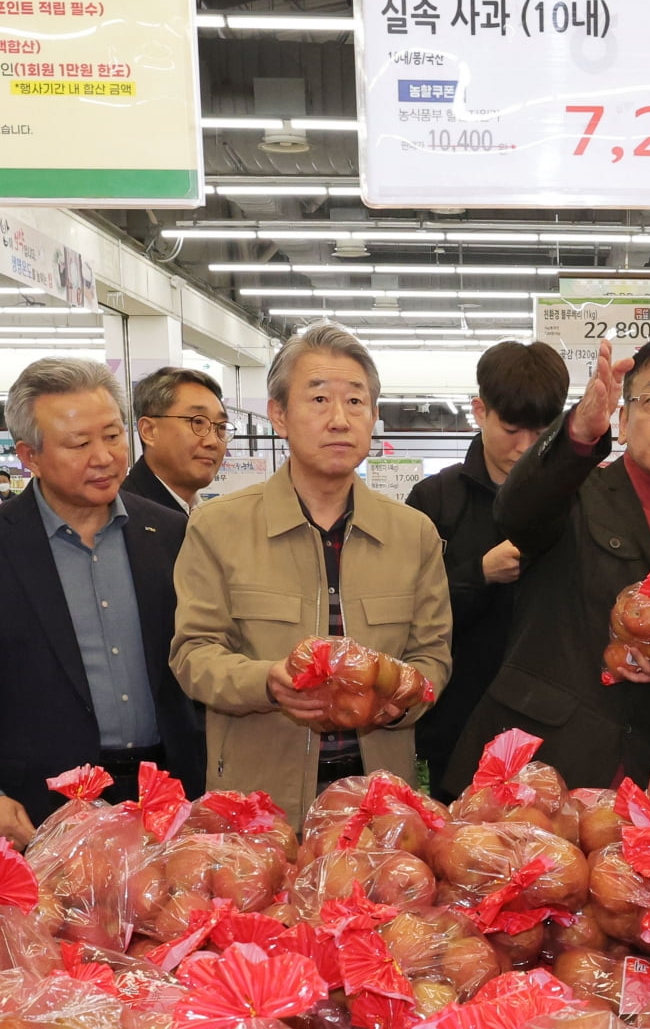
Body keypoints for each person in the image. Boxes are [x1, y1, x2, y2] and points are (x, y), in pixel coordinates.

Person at [170, 321, 452, 830]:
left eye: (355, 402)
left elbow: (433, 656)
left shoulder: (414, 534)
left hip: (379, 811)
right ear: (278, 414)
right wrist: (268, 683)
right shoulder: (219, 526)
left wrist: (400, 700)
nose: (339, 419)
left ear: (374, 415)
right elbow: (194, 655)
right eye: (319, 400)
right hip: (259, 812)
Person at [443, 334, 650, 791]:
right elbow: (515, 511)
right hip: (533, 773)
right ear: (623, 421)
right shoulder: (571, 498)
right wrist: (578, 435)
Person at [0, 358, 204, 842]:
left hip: (168, 796)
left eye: (113, 436)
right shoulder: (7, 543)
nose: (105, 457)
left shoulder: (172, 533)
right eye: (79, 444)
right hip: (40, 806)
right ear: (29, 456)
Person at [407, 340, 568, 800]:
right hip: (458, 726)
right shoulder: (434, 500)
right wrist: (477, 574)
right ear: (480, 410)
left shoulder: (577, 501)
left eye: (541, 433)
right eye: (511, 428)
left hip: (553, 730)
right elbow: (407, 617)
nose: (525, 447)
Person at [123, 367, 229, 512]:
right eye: (197, 422)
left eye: (221, 427)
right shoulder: (120, 517)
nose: (212, 442)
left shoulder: (212, 517)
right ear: (149, 431)